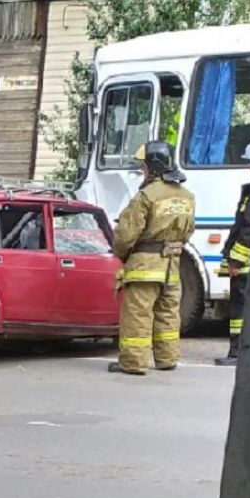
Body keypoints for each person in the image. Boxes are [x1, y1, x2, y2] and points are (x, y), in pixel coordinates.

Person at [108, 141, 196, 376]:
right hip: (172, 265)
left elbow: (126, 234)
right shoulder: (187, 196)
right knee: (168, 313)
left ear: (152, 167)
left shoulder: (146, 196)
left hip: (145, 265)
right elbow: (188, 231)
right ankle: (167, 358)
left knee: (138, 313)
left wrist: (122, 254)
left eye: (143, 166)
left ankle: (133, 362)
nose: (142, 170)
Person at [215, 138, 250, 366]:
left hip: (246, 266)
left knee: (240, 310)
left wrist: (235, 260)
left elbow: (248, 229)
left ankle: (237, 353)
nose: (248, 167)